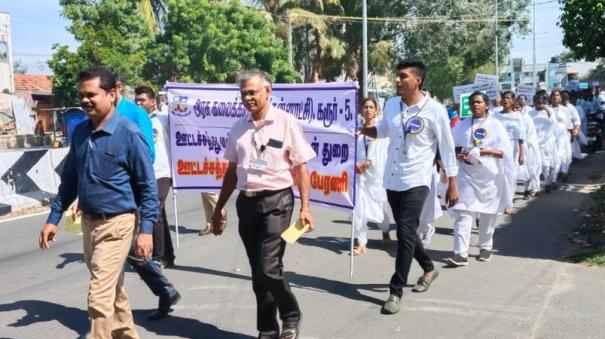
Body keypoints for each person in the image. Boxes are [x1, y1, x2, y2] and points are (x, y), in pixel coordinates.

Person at [38, 66, 158, 339]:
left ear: (113, 93)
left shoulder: (129, 134)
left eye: (92, 94)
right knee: (114, 292)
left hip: (118, 223)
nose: (85, 100)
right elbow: (69, 181)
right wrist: (53, 219)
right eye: (82, 95)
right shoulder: (80, 133)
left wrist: (147, 229)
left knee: (98, 298)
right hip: (89, 224)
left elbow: (147, 186)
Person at [208, 69, 315, 339]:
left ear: (268, 91)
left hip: (277, 200)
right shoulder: (238, 128)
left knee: (269, 266)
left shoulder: (285, 123)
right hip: (247, 203)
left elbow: (301, 168)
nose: (247, 97)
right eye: (243, 93)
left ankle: (291, 314)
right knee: (258, 272)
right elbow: (231, 173)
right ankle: (268, 329)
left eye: (253, 92)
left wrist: (305, 207)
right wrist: (219, 207)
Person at [357, 60, 459, 315]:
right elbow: (381, 131)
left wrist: (452, 183)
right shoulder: (391, 105)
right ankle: (428, 267)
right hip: (392, 178)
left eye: (402, 76)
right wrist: (360, 130)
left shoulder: (435, 110)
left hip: (418, 179)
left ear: (418, 80)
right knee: (408, 232)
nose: (397, 81)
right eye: (397, 77)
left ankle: (395, 290)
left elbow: (447, 148)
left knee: (404, 231)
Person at [445, 92, 512, 266]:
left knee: (487, 214)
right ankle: (460, 253)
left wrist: (485, 152)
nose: (475, 105)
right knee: (463, 211)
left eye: (478, 102)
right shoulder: (461, 126)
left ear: (486, 105)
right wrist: (462, 156)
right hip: (466, 175)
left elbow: (505, 152)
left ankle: (485, 247)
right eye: (472, 102)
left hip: (489, 177)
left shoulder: (496, 125)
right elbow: (452, 148)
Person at [134, 85, 175, 267]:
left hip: (162, 173)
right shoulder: (134, 121)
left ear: (153, 102)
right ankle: (168, 255)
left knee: (153, 212)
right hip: (144, 175)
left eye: (142, 100)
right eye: (137, 100)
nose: (138, 103)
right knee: (160, 215)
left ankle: (157, 257)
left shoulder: (163, 120)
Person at [351, 97, 391, 256]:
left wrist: (368, 164)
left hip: (377, 176)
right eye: (365, 107)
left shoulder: (381, 130)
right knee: (359, 209)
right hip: (359, 176)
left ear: (376, 110)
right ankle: (361, 242)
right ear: (361, 110)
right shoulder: (357, 131)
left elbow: (380, 153)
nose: (368, 110)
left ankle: (385, 230)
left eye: (371, 107)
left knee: (379, 208)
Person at [494, 91, 525, 214]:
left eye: (508, 98)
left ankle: (508, 202)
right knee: (498, 173)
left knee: (510, 175)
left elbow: (521, 136)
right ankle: (498, 200)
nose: (505, 100)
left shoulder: (517, 116)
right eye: (503, 98)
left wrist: (522, 154)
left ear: (512, 101)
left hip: (512, 147)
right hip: (497, 147)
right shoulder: (495, 115)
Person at [530, 93, 559, 192]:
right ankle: (544, 183)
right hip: (535, 143)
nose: (538, 104)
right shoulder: (530, 113)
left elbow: (554, 123)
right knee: (539, 164)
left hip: (548, 142)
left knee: (550, 164)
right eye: (536, 102)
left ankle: (551, 181)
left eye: (540, 102)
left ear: (544, 102)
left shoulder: (549, 112)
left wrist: (546, 110)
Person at [515, 97, 541, 198]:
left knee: (529, 169)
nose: (516, 109)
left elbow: (531, 134)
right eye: (515, 107)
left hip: (526, 147)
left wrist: (528, 146)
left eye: (518, 107)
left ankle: (528, 189)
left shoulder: (527, 118)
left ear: (522, 108)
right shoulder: (512, 118)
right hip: (514, 147)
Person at [549, 89, 573, 183]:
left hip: (563, 135)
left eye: (558, 95)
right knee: (553, 155)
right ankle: (554, 174)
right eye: (554, 95)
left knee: (564, 154)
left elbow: (569, 124)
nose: (556, 97)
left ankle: (562, 172)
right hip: (551, 135)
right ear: (550, 98)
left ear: (560, 98)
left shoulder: (565, 110)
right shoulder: (548, 109)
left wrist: (571, 136)